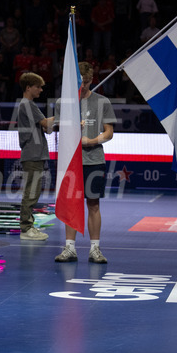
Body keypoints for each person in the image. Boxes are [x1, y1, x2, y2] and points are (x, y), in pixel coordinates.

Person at [56, 62, 115, 264]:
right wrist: (71, 128)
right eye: (81, 82)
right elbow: (57, 131)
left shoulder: (102, 101)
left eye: (88, 81)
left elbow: (109, 132)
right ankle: (69, 248)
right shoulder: (63, 103)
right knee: (71, 203)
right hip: (70, 161)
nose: (85, 85)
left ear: (92, 80)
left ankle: (95, 249)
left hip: (94, 159)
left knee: (93, 205)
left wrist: (91, 141)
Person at [15, 72, 52, 241]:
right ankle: (26, 228)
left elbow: (46, 128)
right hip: (32, 154)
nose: (41, 90)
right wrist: (67, 116)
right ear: (29, 87)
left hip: (35, 154)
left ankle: (28, 225)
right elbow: (46, 124)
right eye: (38, 86)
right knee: (31, 192)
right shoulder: (28, 105)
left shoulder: (27, 105)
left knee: (34, 191)